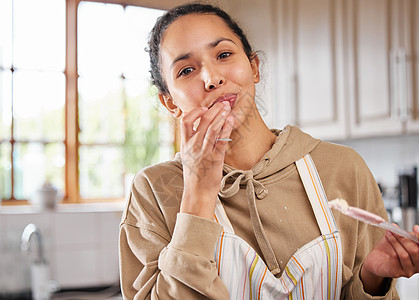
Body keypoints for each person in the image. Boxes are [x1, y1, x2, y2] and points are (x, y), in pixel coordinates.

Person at [119, 3, 419, 299]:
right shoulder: (153, 192)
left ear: (254, 67)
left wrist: (372, 279)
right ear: (170, 102)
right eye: (186, 70)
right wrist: (197, 194)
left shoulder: (343, 168)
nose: (212, 79)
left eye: (224, 54)